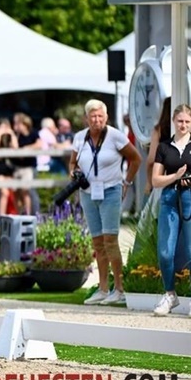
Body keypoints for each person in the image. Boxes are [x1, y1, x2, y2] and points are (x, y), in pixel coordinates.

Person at [69, 100, 142, 306]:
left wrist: (126, 182)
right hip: (88, 193)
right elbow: (73, 162)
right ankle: (102, 289)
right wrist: (73, 173)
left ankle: (119, 288)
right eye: (93, 116)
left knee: (110, 240)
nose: (97, 120)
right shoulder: (79, 138)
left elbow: (136, 159)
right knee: (98, 243)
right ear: (86, 118)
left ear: (106, 117)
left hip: (110, 190)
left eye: (100, 116)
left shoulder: (115, 136)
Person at [150, 104, 191, 316]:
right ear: (174, 121)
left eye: (187, 121)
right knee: (165, 252)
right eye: (180, 121)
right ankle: (170, 294)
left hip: (190, 198)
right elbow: (155, 179)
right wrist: (175, 176)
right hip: (169, 197)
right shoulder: (165, 147)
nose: (183, 125)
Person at [11, 113, 42, 215]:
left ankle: (29, 214)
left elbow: (39, 144)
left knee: (26, 191)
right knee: (16, 192)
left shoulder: (33, 133)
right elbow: (14, 148)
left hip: (28, 167)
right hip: (17, 167)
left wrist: (26, 148)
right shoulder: (16, 136)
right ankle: (20, 213)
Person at [0, 120, 19, 217]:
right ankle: (1, 217)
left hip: (9, 171)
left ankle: (17, 216)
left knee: (16, 191)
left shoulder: (10, 139)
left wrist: (12, 134)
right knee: (4, 192)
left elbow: (16, 149)